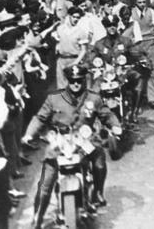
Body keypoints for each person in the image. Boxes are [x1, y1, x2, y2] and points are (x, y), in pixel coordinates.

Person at [22, 64, 121, 228]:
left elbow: (106, 114)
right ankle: (37, 218)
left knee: (99, 160)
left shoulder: (93, 98)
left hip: (84, 139)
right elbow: (40, 118)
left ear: (84, 80)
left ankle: (97, 192)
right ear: (68, 80)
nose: (76, 84)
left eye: (79, 80)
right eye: (73, 80)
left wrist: (115, 125)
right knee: (46, 183)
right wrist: (29, 133)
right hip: (60, 142)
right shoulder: (54, 98)